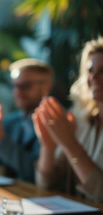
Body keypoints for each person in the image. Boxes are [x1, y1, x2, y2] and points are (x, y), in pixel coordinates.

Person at [33, 37, 103, 202]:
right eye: (90, 71)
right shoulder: (80, 120)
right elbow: (45, 184)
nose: (94, 77)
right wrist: (47, 147)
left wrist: (69, 144)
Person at [0, 58, 53, 183]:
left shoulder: (57, 123)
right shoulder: (11, 121)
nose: (18, 92)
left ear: (47, 86)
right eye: (15, 86)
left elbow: (37, 174)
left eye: (26, 86)